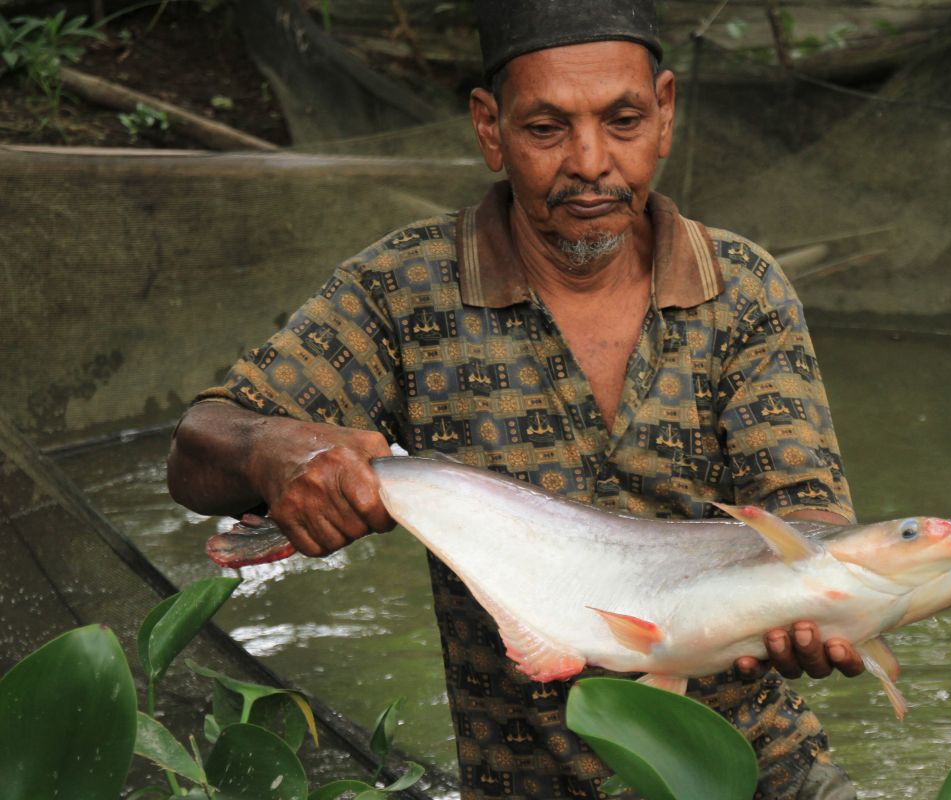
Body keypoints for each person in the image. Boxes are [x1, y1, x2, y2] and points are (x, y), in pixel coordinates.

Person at [167, 1, 867, 796]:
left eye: (624, 119)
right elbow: (195, 448)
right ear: (490, 128)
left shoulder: (743, 289)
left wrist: (825, 612)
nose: (592, 161)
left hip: (756, 772)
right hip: (524, 784)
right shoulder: (403, 290)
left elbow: (809, 521)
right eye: (546, 128)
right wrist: (266, 450)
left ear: (665, 113)